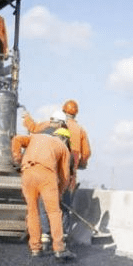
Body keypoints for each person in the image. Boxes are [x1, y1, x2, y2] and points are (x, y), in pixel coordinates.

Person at [23, 100, 92, 247]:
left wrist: (26, 118)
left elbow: (33, 128)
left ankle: (46, 235)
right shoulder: (80, 130)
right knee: (64, 205)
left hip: (49, 172)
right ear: (76, 113)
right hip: (68, 174)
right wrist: (81, 164)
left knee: (46, 205)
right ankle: (64, 235)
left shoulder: (50, 124)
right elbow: (86, 153)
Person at [11, 127, 75, 261]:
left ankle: (35, 248)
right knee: (54, 212)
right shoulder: (63, 148)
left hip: (28, 172)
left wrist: (18, 158)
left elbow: (16, 139)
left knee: (32, 212)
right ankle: (59, 248)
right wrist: (60, 193)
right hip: (46, 175)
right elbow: (64, 176)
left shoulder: (35, 137)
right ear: (65, 139)